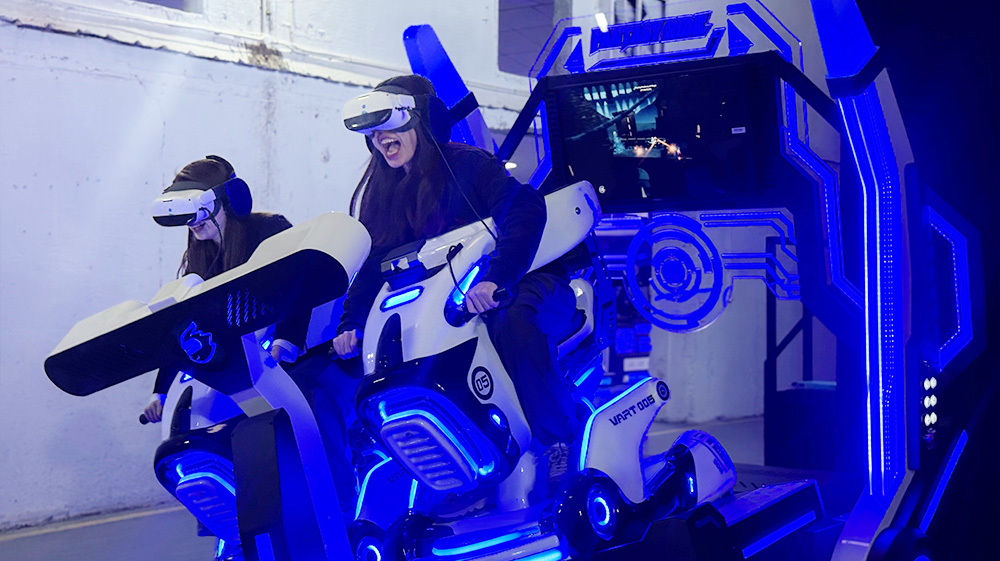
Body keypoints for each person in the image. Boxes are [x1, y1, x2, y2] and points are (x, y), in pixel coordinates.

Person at [332, 75, 580, 499]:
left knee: (512, 321)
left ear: (425, 120)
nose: (381, 140)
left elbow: (523, 208)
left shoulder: (468, 164)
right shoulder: (383, 193)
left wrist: (497, 276)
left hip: (524, 281)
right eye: (373, 133)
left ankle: (558, 441)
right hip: (450, 303)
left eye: (390, 126)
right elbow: (375, 263)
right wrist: (352, 322)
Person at [141, 156, 300, 423]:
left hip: (290, 360)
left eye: (198, 208)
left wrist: (282, 345)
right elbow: (184, 323)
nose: (192, 222)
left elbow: (298, 286)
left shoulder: (269, 229)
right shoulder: (201, 257)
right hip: (236, 370)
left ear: (228, 200)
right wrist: (160, 393)